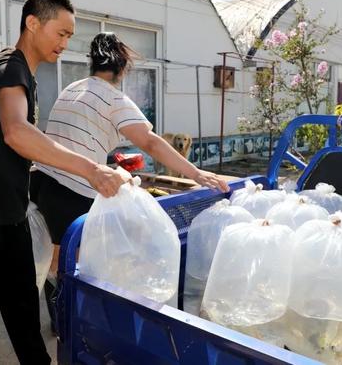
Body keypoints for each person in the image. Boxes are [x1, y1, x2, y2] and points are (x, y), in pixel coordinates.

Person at [0, 0, 128, 365]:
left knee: (23, 305)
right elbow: (16, 131)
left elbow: (8, 143)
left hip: (9, 213)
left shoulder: (26, 74)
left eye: (69, 37)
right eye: (60, 33)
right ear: (32, 22)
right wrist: (90, 168)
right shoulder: (9, 66)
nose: (65, 43)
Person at [30, 32, 230, 328]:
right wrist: (197, 174)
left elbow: (74, 136)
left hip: (41, 182)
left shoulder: (73, 88)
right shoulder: (112, 97)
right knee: (77, 266)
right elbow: (150, 142)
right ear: (122, 69)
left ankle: (60, 323)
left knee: (56, 259)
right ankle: (79, 329)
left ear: (92, 64)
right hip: (71, 190)